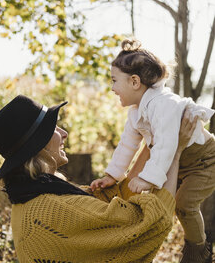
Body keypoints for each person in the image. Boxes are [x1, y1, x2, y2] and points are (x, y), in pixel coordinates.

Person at [0, 94, 195, 263]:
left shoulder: (33, 197)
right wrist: (175, 151)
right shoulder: (53, 209)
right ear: (37, 145)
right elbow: (147, 223)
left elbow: (109, 201)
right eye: (54, 129)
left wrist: (155, 142)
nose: (64, 133)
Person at [90, 39, 215, 263]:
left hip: (205, 160)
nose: (112, 88)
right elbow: (127, 144)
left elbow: (166, 144)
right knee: (166, 203)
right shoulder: (136, 112)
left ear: (135, 81)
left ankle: (198, 251)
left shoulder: (163, 104)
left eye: (114, 81)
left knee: (184, 204)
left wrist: (148, 178)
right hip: (180, 162)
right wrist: (113, 175)